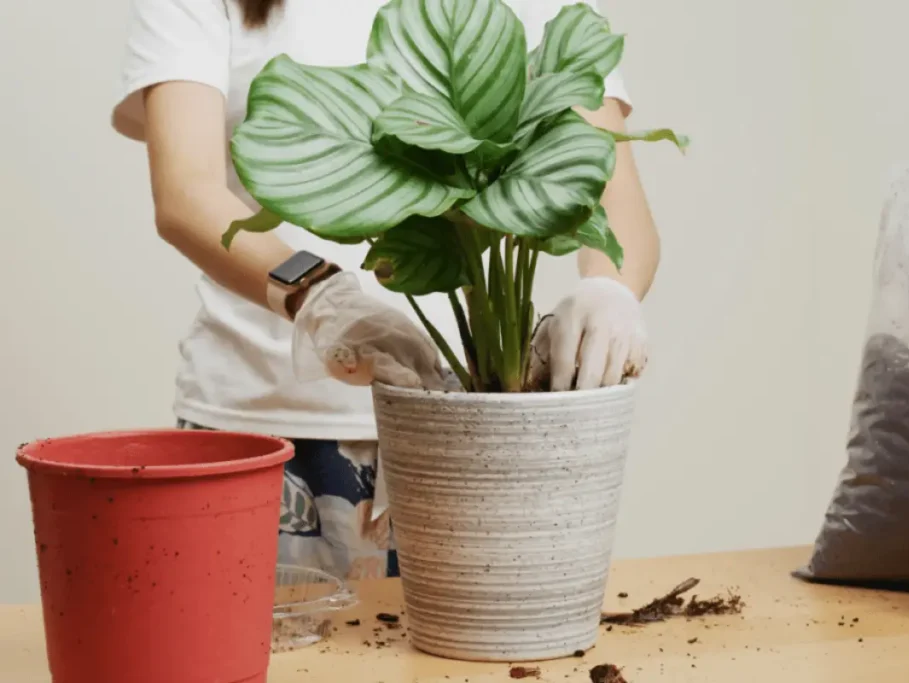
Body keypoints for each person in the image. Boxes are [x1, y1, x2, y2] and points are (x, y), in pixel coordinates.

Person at [112, 0, 662, 581]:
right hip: (261, 435)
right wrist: (320, 297)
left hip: (472, 436)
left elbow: (611, 196)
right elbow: (185, 194)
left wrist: (609, 291)